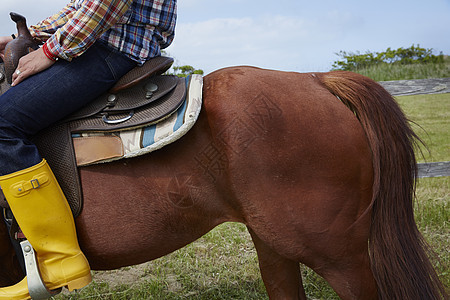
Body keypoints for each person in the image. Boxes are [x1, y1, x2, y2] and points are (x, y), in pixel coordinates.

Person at [0, 0, 177, 299]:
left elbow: (105, 5)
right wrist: (30, 35)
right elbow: (81, 8)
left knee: (3, 124)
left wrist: (49, 52)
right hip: (101, 41)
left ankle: (58, 259)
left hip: (111, 49)